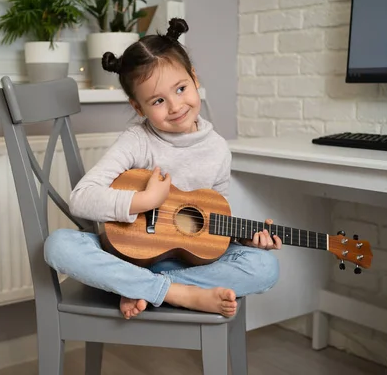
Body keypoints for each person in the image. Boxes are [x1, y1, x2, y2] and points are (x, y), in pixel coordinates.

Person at [44, 18, 281, 320]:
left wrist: (245, 238)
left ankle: (146, 289)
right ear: (137, 107)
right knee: (58, 246)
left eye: (181, 88)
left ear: (194, 78)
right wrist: (144, 202)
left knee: (265, 267)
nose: (175, 106)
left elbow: (213, 225)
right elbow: (81, 198)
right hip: (125, 258)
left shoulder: (217, 149)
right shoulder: (137, 141)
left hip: (183, 264)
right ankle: (178, 295)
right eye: (158, 100)